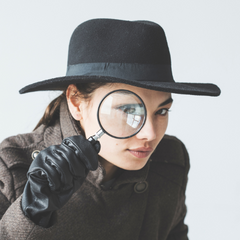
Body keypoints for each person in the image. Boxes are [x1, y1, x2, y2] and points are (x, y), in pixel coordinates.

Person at [0, 19, 220, 240]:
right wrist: (31, 211)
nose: (151, 134)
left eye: (162, 111)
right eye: (128, 110)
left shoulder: (170, 161)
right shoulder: (12, 166)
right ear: (76, 102)